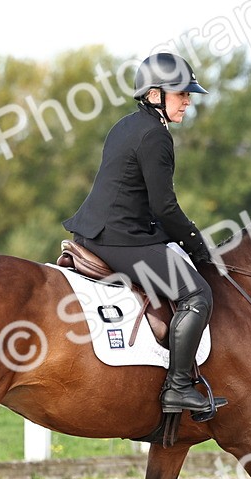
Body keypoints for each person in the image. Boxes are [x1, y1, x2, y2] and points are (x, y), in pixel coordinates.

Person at [63, 52, 226, 415]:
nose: (188, 100)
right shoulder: (155, 136)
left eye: (189, 94)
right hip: (121, 238)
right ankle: (179, 386)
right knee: (197, 293)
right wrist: (200, 248)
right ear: (155, 95)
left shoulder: (125, 125)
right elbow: (164, 208)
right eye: (181, 93)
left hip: (94, 232)